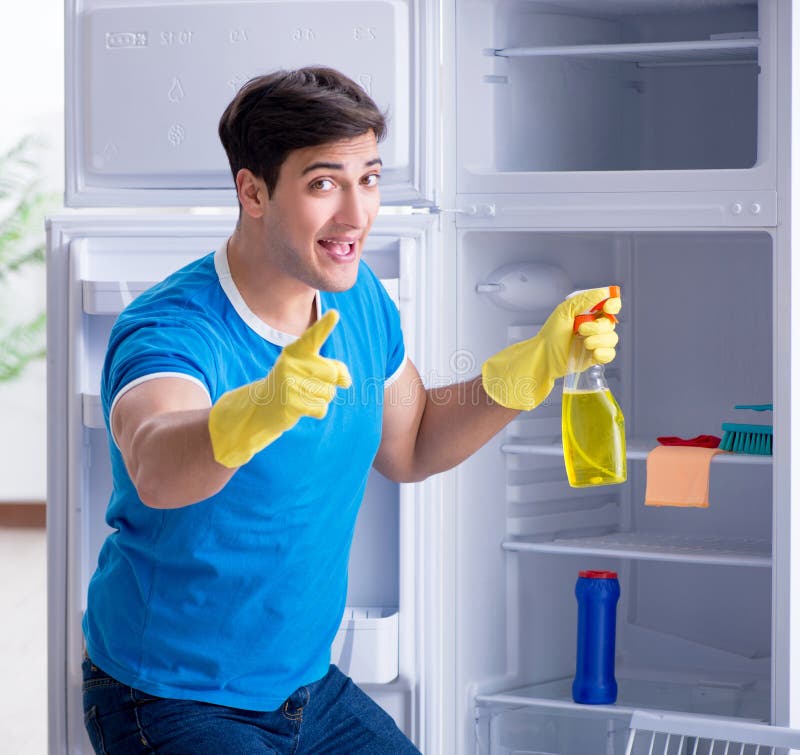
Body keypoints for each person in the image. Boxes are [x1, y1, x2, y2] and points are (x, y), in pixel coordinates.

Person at [81, 66, 620, 754]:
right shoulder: (172, 329)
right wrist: (256, 411)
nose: (357, 214)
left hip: (306, 688)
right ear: (252, 191)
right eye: (323, 183)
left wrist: (528, 370)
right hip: (170, 696)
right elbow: (156, 459)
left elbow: (413, 440)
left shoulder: (357, 298)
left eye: (369, 178)